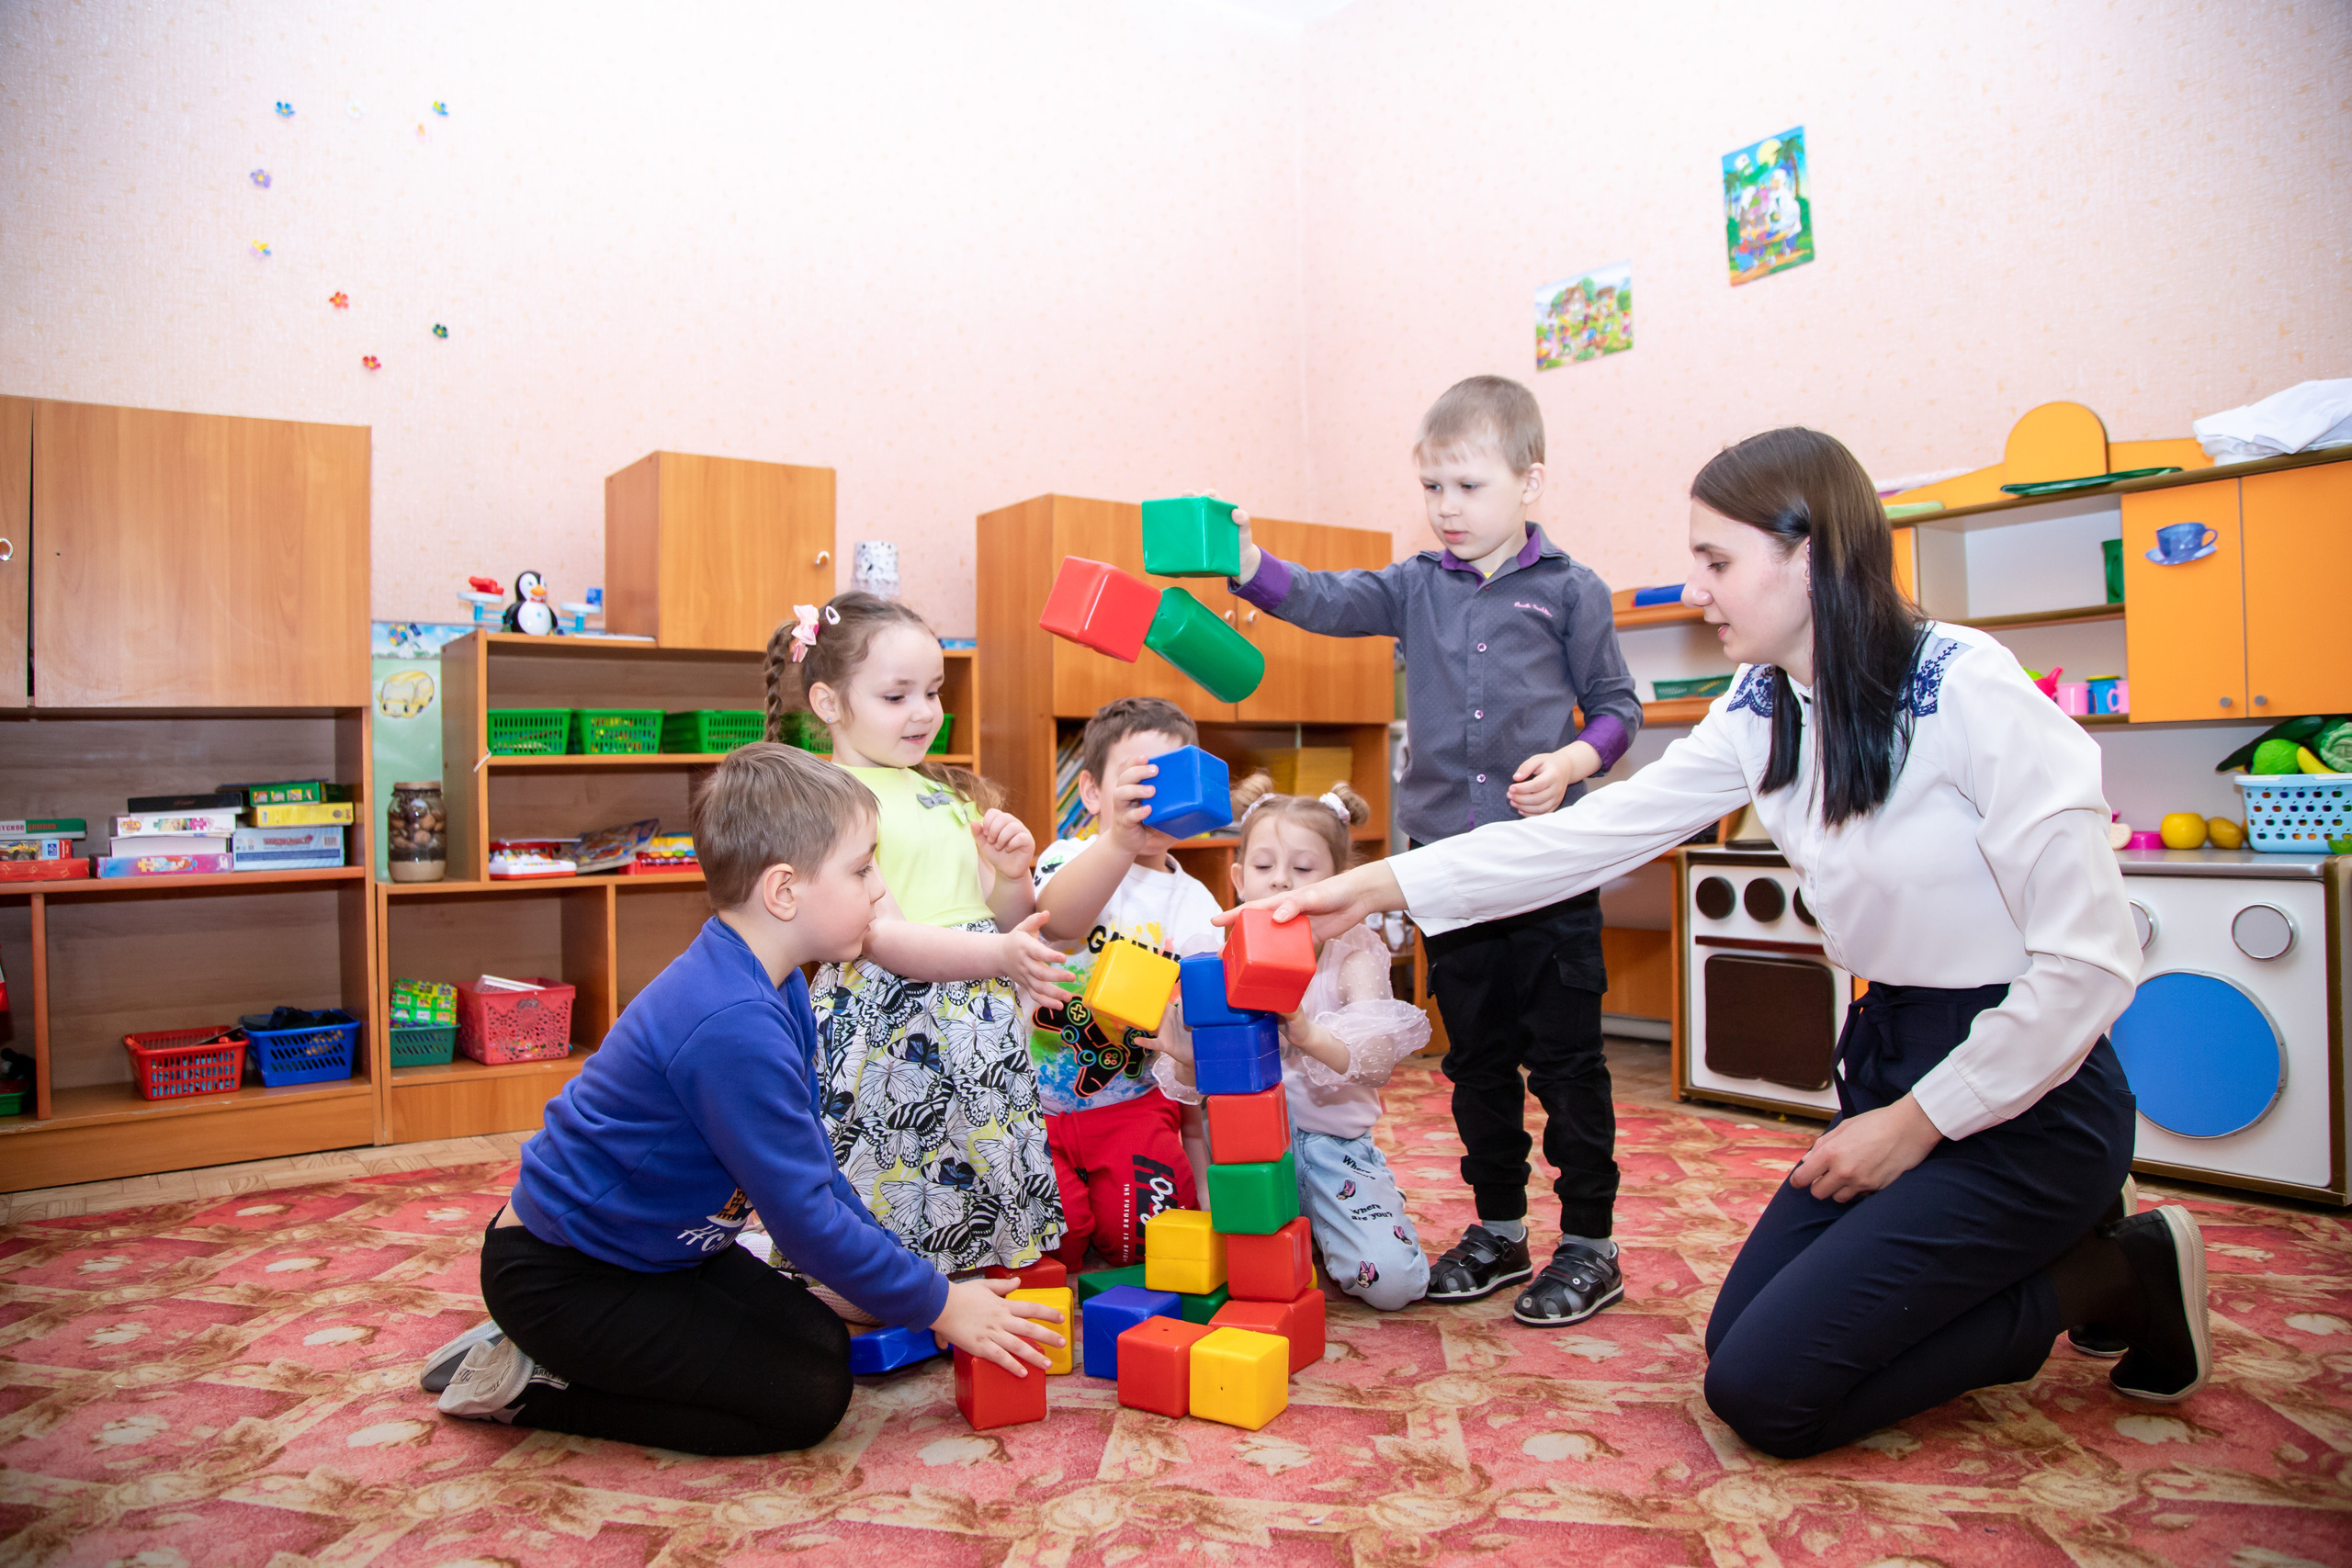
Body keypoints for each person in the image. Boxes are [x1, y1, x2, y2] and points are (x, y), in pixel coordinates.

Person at [1218, 425, 2211, 1459]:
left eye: (1717, 561)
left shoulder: (1970, 690)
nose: (1697, 589)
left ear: (1811, 556)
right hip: (1894, 1056)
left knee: (1770, 1394)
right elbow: (1587, 838)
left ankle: (2104, 1268)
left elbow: (2090, 963)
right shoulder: (1764, 705)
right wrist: (1368, 886)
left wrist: (1916, 1125)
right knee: (1740, 1336)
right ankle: (2040, 1251)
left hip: (2022, 1092)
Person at [422, 743, 1065, 1454]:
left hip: (662, 1254)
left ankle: (577, 1352)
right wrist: (942, 1303)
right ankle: (532, 1376)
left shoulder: (777, 977)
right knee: (805, 1399)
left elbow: (815, 1174)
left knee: (821, 1340)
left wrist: (919, 1285)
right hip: (564, 1272)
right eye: (861, 869)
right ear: (784, 891)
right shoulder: (731, 1022)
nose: (880, 889)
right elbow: (805, 1222)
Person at [1226, 374, 1643, 1326]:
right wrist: (1251, 566)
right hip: (1447, 881)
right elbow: (1326, 601)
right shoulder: (1416, 586)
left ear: (1529, 483)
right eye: (1432, 489)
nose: (1446, 509)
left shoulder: (1571, 592)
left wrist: (1575, 758)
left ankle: (1591, 1244)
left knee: (1569, 1066)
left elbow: (1619, 708)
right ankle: (1499, 1229)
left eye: (1469, 487)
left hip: (1547, 874)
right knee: (1477, 1064)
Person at [765, 593, 1069, 1286]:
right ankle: (881, 1285)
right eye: (896, 695)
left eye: (933, 691)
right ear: (830, 702)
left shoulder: (946, 794)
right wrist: (998, 956)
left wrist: (1014, 873)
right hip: (897, 1022)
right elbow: (881, 936)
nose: (925, 711)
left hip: (973, 1012)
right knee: (899, 1156)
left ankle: (964, 1279)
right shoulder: (835, 797)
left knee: (972, 1148)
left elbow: (1001, 914)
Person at [1156, 775, 1431, 1311]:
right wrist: (1191, 1060)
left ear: (1341, 881)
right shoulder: (1209, 953)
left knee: (1395, 1286)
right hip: (1242, 1152)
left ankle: (1359, 1205)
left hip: (1333, 1149)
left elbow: (1373, 1064)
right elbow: (1193, 1086)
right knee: (1229, 1275)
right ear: (1237, 878)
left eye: (1304, 870)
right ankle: (1310, 1227)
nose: (1281, 883)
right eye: (1263, 867)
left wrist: (1304, 1030)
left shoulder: (1354, 952)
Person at [1028, 697, 1224, 1266]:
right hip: (1038, 1109)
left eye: (1172, 779)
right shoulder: (1069, 855)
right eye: (1140, 781)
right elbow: (1059, 920)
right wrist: (1119, 843)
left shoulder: (1196, 903)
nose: (1154, 799)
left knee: (1147, 1249)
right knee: (1049, 1251)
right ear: (1091, 793)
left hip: (1133, 1103)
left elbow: (1203, 1020)